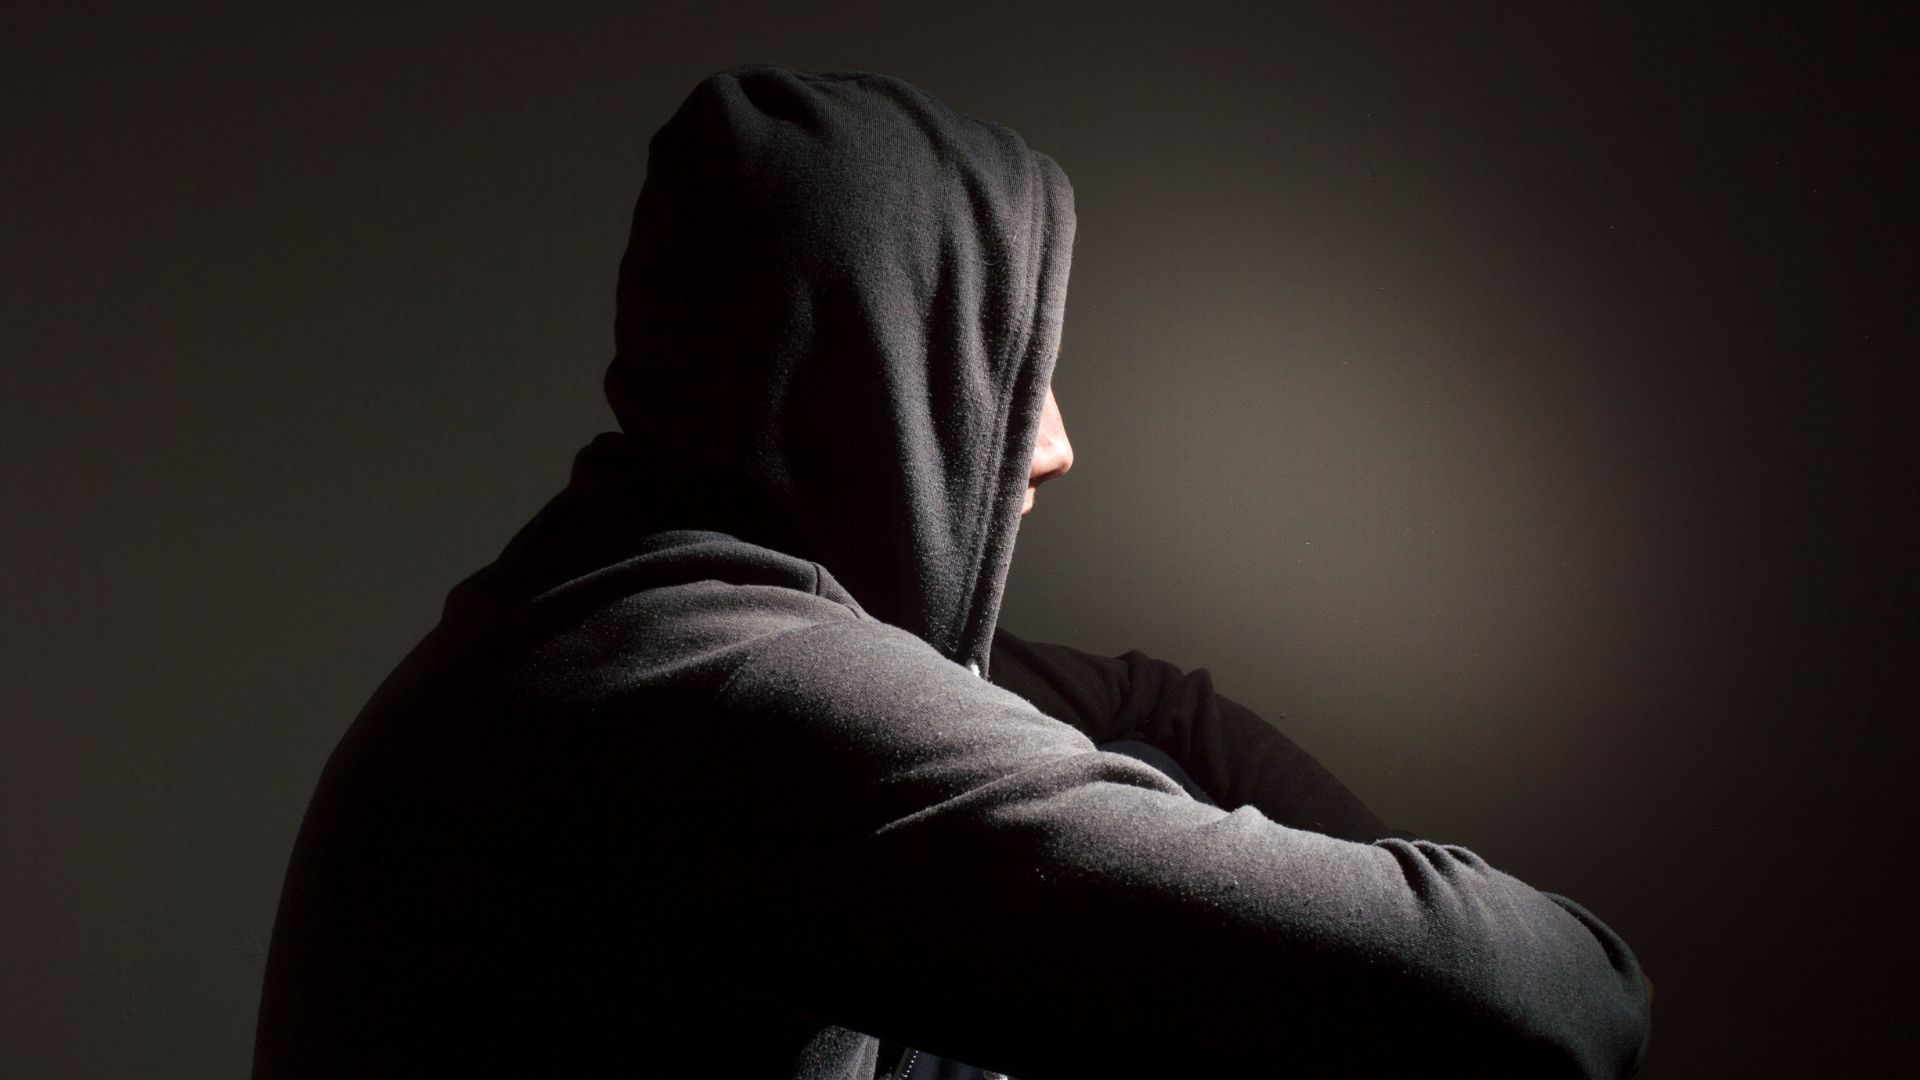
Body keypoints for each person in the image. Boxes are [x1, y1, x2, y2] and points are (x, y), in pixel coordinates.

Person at [253, 64, 1653, 1079]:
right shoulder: (730, 697)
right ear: (872, 375)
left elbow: (1141, 696)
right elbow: (1542, 1001)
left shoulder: (604, 612)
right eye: (1014, 372)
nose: (1053, 446)